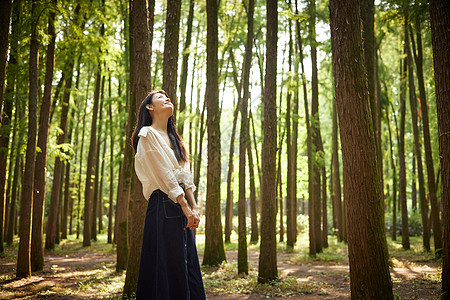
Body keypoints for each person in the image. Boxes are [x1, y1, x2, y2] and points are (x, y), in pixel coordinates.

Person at [132, 90, 206, 300]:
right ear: (150, 107)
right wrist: (184, 205)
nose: (167, 99)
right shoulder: (147, 135)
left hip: (181, 207)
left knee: (187, 262)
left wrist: (194, 209)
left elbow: (186, 177)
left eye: (169, 98)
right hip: (163, 206)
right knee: (165, 265)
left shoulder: (175, 140)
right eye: (161, 98)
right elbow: (164, 174)